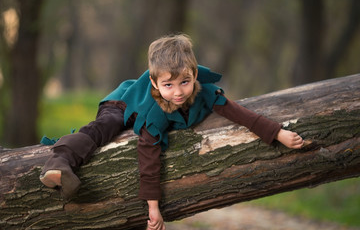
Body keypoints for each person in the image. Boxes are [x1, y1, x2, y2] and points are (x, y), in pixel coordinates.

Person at [40, 34, 304, 230]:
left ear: (195, 74)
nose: (178, 92)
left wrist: (277, 133)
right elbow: (149, 158)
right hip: (123, 100)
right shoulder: (155, 114)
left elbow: (242, 114)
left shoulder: (206, 93)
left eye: (185, 82)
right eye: (168, 85)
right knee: (105, 128)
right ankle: (60, 162)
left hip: (151, 94)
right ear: (155, 82)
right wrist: (153, 208)